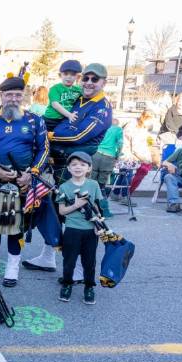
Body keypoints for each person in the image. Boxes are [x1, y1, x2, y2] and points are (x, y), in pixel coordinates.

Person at [23, 63, 112, 274]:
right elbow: (64, 123)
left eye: (94, 79)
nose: (89, 82)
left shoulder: (102, 107)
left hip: (76, 167)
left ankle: (81, 268)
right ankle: (48, 256)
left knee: (78, 216)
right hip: (61, 162)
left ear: (103, 82)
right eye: (87, 78)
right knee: (54, 210)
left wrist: (47, 136)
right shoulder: (80, 99)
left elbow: (78, 135)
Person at [0, 75, 49, 287]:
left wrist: (32, 173)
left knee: (16, 227)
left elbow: (43, 149)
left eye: (18, 94)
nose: (13, 99)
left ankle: (12, 268)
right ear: (1, 96)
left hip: (22, 181)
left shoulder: (35, 120)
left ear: (23, 96)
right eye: (9, 95)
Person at [56, 151, 102, 305]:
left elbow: (96, 206)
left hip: (90, 230)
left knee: (89, 262)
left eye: (82, 165)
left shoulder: (93, 185)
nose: (78, 167)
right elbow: (62, 211)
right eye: (74, 164)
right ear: (68, 168)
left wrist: (99, 224)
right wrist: (76, 205)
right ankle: (67, 284)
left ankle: (89, 287)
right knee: (69, 261)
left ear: (89, 168)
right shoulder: (64, 187)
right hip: (72, 229)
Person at [111, 110, 155, 206]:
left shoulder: (138, 125)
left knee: (123, 174)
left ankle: (115, 194)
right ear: (146, 119)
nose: (151, 124)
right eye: (150, 121)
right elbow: (135, 147)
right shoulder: (134, 127)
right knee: (128, 176)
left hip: (126, 154)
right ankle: (124, 197)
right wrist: (145, 159)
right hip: (128, 156)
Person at [91, 117, 123, 215]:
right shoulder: (118, 129)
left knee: (91, 182)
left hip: (96, 154)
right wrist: (118, 155)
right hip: (108, 158)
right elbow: (120, 144)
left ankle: (91, 208)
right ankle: (103, 210)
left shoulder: (102, 127)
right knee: (102, 185)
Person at [43, 60, 82, 131]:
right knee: (46, 137)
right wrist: (69, 115)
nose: (69, 77)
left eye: (73, 74)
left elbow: (85, 95)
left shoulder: (77, 89)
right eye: (66, 74)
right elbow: (55, 104)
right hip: (51, 120)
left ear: (77, 77)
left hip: (65, 119)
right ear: (60, 75)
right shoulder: (55, 88)